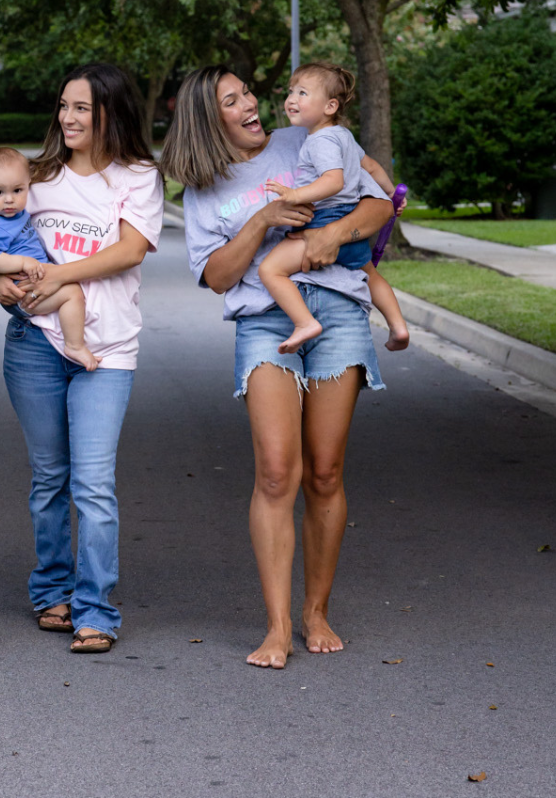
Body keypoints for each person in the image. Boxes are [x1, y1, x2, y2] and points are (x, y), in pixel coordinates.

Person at [163, 64, 399, 669]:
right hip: (266, 320)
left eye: (247, 93)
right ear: (206, 119)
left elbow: (379, 200)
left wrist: (334, 235)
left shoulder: (307, 138)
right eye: (231, 100)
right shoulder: (204, 188)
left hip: (340, 307)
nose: (251, 105)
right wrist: (262, 221)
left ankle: (315, 611)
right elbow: (217, 277)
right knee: (276, 472)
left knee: (325, 470)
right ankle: (275, 626)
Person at [0, 63, 163, 655]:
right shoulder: (37, 176)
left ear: (110, 111)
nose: (68, 117)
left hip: (105, 349)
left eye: (81, 107)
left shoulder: (137, 175)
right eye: (63, 106)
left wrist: (58, 274)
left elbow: (131, 249)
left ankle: (96, 609)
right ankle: (52, 592)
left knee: (94, 483)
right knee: (49, 479)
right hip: (35, 344)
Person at [255, 62, 411, 354]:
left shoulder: (320, 140)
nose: (291, 100)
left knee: (270, 270)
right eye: (291, 92)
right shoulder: (343, 136)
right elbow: (373, 167)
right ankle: (398, 326)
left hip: (323, 223)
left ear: (330, 106)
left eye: (302, 93)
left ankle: (305, 323)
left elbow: (333, 181)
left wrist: (294, 194)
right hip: (351, 226)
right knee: (371, 275)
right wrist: (392, 195)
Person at [0, 146, 99, 371]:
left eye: (18, 190)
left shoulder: (10, 213)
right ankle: (74, 345)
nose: (9, 200)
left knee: (70, 289)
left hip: (31, 283)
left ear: (28, 184)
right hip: (23, 292)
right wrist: (22, 262)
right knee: (73, 294)